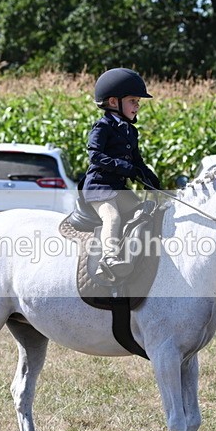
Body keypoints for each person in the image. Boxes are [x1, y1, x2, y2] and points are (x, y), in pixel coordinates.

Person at [82, 68, 161, 280]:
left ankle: (135, 257)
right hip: (99, 187)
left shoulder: (130, 131)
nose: (137, 105)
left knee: (143, 213)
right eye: (133, 100)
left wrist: (152, 180)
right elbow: (95, 156)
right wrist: (122, 167)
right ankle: (107, 259)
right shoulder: (103, 126)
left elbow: (137, 162)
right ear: (114, 102)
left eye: (138, 101)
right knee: (112, 217)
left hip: (118, 190)